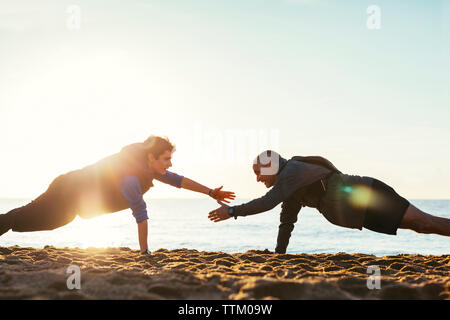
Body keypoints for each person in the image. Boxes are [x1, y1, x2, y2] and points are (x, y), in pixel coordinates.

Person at [0, 135, 235, 254]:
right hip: (65, 190)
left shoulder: (149, 169)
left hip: (72, 200)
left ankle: (7, 222)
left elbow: (179, 180)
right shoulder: (131, 178)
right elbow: (141, 214)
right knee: (30, 217)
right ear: (151, 158)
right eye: (166, 159)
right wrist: (145, 253)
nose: (170, 164)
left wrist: (211, 192)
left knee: (41, 219)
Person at [208, 150, 450, 253]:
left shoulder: (292, 171)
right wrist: (279, 255)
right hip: (360, 213)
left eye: (259, 172)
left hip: (366, 196)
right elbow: (286, 221)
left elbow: (267, 202)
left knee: (424, 223)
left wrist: (232, 211)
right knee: (421, 227)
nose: (258, 178)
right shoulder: (290, 187)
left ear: (272, 166)